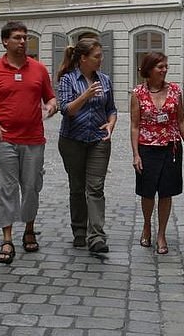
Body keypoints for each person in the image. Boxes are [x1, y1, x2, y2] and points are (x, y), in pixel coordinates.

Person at [0, 21, 58, 265]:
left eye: (25, 37)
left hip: (33, 139)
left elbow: (50, 97)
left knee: (31, 187)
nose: (23, 41)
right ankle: (7, 238)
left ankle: (29, 229)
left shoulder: (39, 69)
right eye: (17, 37)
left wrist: (52, 105)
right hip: (4, 139)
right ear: (5, 41)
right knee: (6, 189)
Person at [56, 38, 117, 253]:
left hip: (99, 140)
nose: (101, 60)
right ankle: (79, 231)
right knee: (77, 187)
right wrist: (86, 95)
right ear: (83, 58)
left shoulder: (105, 80)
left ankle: (97, 236)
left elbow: (112, 109)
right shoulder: (67, 79)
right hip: (72, 140)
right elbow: (66, 110)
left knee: (96, 188)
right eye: (97, 56)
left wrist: (111, 124)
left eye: (101, 56)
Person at [130, 52, 184, 255]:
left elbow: (181, 120)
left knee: (166, 192)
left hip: (170, 147)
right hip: (147, 148)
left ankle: (162, 234)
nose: (165, 70)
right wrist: (135, 154)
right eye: (160, 67)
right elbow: (134, 126)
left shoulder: (175, 90)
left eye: (166, 66)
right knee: (147, 192)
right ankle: (147, 225)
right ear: (149, 70)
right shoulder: (138, 93)